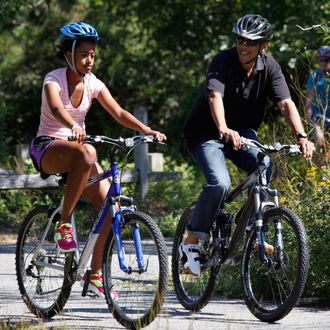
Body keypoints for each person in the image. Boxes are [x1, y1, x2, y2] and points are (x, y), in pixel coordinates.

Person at [29, 22, 166, 297]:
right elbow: (56, 107)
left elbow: (118, 111)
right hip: (48, 148)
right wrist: (73, 125)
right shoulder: (53, 79)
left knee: (109, 206)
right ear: (68, 53)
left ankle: (95, 275)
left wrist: (146, 130)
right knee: (89, 151)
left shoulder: (93, 83)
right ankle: (64, 224)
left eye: (92, 54)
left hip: (79, 153)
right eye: (83, 54)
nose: (89, 60)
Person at [181, 14, 314, 276]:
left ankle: (251, 231)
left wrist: (301, 135)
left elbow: (286, 103)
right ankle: (192, 241)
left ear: (263, 46)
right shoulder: (223, 61)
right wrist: (222, 128)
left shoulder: (270, 67)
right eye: (240, 39)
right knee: (220, 183)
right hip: (206, 133)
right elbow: (214, 95)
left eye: (250, 42)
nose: (243, 46)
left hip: (242, 134)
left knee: (266, 166)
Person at [305, 46, 330, 160]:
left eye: (327, 59)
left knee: (328, 147)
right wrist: (308, 115)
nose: (324, 62)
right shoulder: (315, 75)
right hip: (317, 117)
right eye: (321, 60)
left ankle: (325, 173)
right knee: (320, 142)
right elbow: (309, 98)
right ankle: (315, 171)